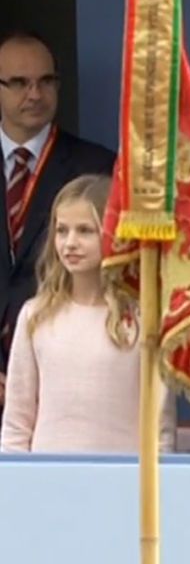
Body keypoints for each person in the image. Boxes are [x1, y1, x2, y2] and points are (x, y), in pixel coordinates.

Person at [0, 175, 176, 453]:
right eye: (61, 231)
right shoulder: (36, 315)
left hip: (121, 481)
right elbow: (16, 423)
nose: (70, 243)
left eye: (85, 231)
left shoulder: (144, 319)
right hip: (47, 481)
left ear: (114, 234)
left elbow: (160, 426)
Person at [0, 31, 115, 412]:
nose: (34, 94)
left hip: (63, 380)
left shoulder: (97, 167)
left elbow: (115, 278)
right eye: (19, 82)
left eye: (45, 81)